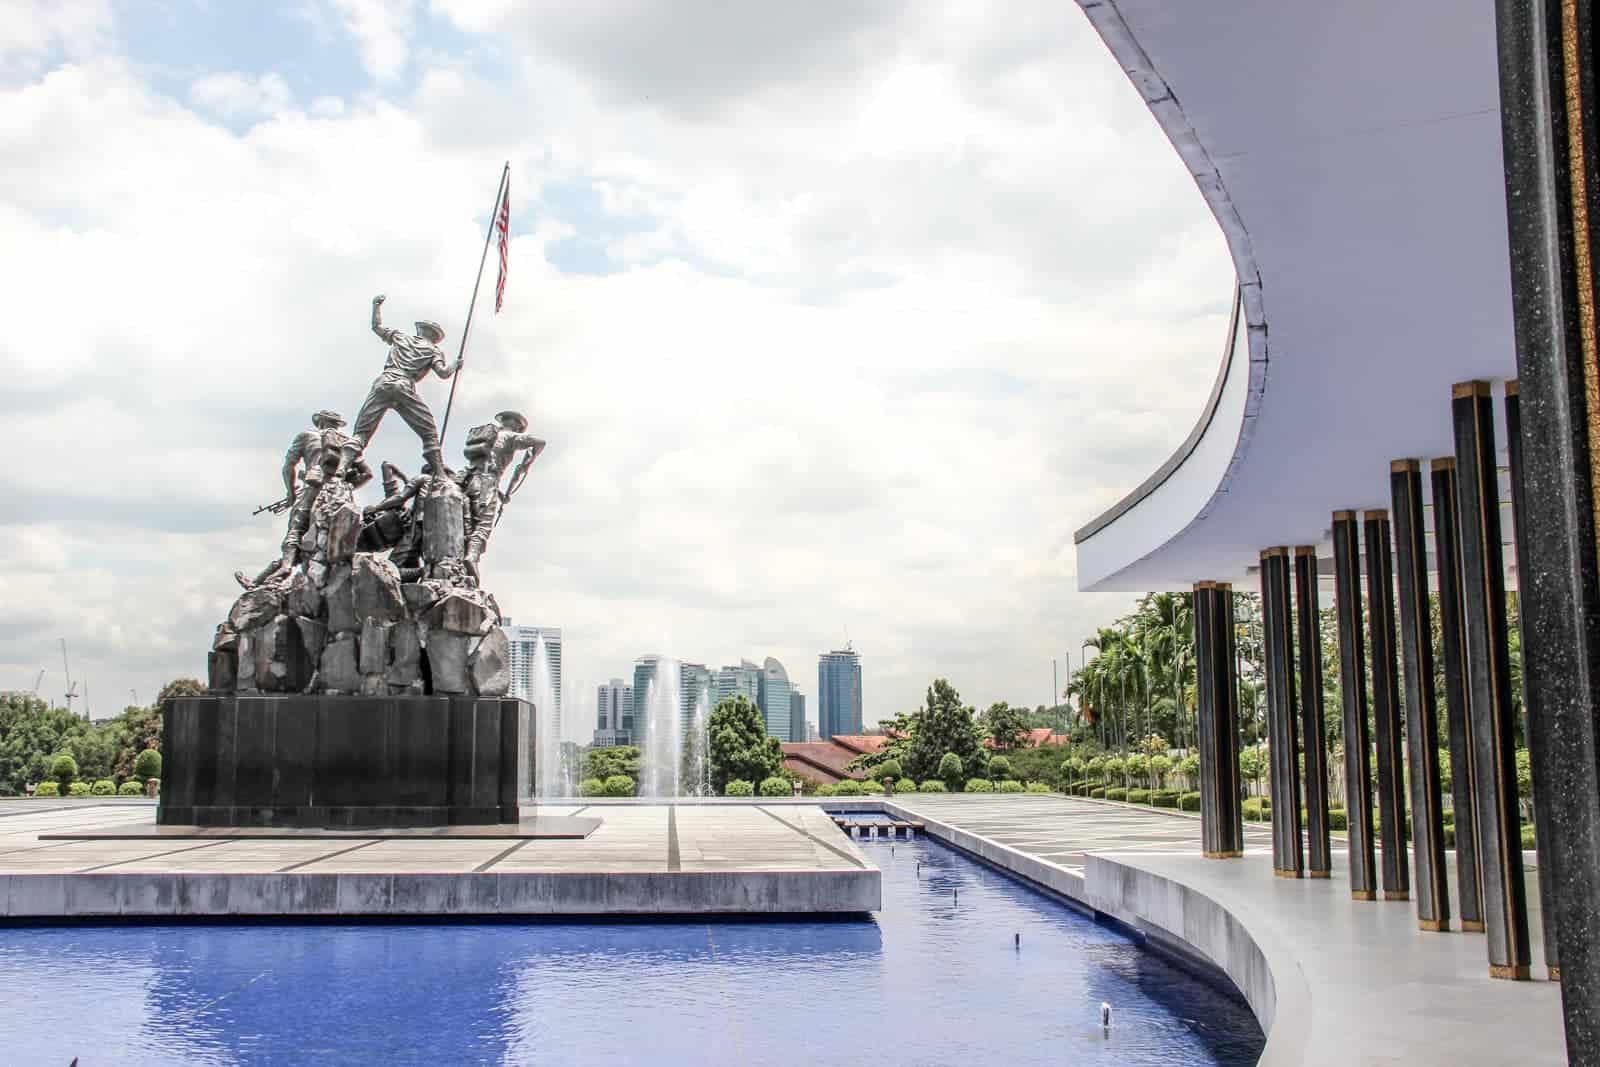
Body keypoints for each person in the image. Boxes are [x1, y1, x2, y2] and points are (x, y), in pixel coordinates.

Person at [341, 294, 459, 475]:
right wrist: (455, 366)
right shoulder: (434, 350)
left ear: (419, 330)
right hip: (403, 386)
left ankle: (341, 469)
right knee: (429, 433)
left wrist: (376, 305)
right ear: (436, 337)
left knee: (361, 433)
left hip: (383, 382)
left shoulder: (400, 336)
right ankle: (440, 474)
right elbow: (443, 373)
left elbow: (376, 327)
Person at [236, 410, 349, 589]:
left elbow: (288, 466)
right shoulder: (347, 442)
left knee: (296, 531)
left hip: (313, 490)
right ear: (337, 425)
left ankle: (285, 568)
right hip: (341, 495)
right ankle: (260, 580)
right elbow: (366, 474)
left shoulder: (306, 436)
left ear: (319, 422)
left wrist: (291, 493)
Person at [460, 410, 545, 565]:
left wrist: (500, 494)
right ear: (516, 425)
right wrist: (529, 462)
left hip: (467, 480)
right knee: (483, 524)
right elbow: (540, 442)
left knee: (467, 522)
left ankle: (460, 558)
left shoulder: (487, 436)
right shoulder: (510, 436)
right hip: (488, 481)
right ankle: (471, 557)